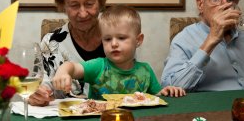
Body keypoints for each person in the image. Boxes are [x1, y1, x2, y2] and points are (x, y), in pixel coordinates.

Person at [52, 5, 186, 99]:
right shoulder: (98, 66)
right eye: (107, 39)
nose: (114, 44)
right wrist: (63, 71)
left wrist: (167, 92)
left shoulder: (145, 71)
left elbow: (157, 98)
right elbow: (73, 67)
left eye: (121, 38)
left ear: (138, 40)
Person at [28, 0, 108, 106]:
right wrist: (39, 96)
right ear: (63, 6)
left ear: (101, 2)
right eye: (74, 5)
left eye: (89, 4)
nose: (83, 13)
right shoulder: (51, 44)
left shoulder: (118, 37)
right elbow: (39, 87)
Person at [161, 0, 244, 92]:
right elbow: (172, 87)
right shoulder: (184, 39)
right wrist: (211, 40)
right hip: (214, 108)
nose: (224, 5)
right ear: (200, 4)